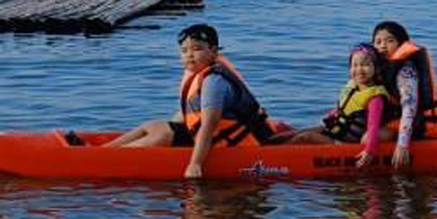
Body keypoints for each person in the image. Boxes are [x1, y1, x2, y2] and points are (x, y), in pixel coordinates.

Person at [104, 23, 275, 178]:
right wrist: (170, 128)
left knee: (162, 135)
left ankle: (105, 159)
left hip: (241, 143)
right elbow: (189, 114)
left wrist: (195, 164)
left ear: (213, 51)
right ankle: (102, 151)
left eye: (197, 49)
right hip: (213, 136)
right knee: (154, 126)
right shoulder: (200, 75)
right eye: (184, 51)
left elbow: (209, 126)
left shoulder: (213, 82)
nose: (189, 55)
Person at [284, 43, 389, 167]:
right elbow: (342, 109)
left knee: (305, 137)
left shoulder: (375, 98)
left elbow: (373, 127)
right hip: (335, 131)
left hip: (345, 143)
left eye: (365, 65)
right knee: (295, 133)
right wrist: (329, 117)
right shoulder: (353, 87)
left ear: (376, 68)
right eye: (355, 65)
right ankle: (271, 145)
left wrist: (369, 150)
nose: (359, 69)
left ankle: (275, 158)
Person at [371, 21, 437, 169]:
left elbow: (409, 106)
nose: (383, 46)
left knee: (368, 138)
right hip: (393, 119)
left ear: (401, 44)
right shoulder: (375, 67)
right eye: (378, 41)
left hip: (416, 122)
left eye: (390, 41)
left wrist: (402, 145)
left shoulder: (406, 70)